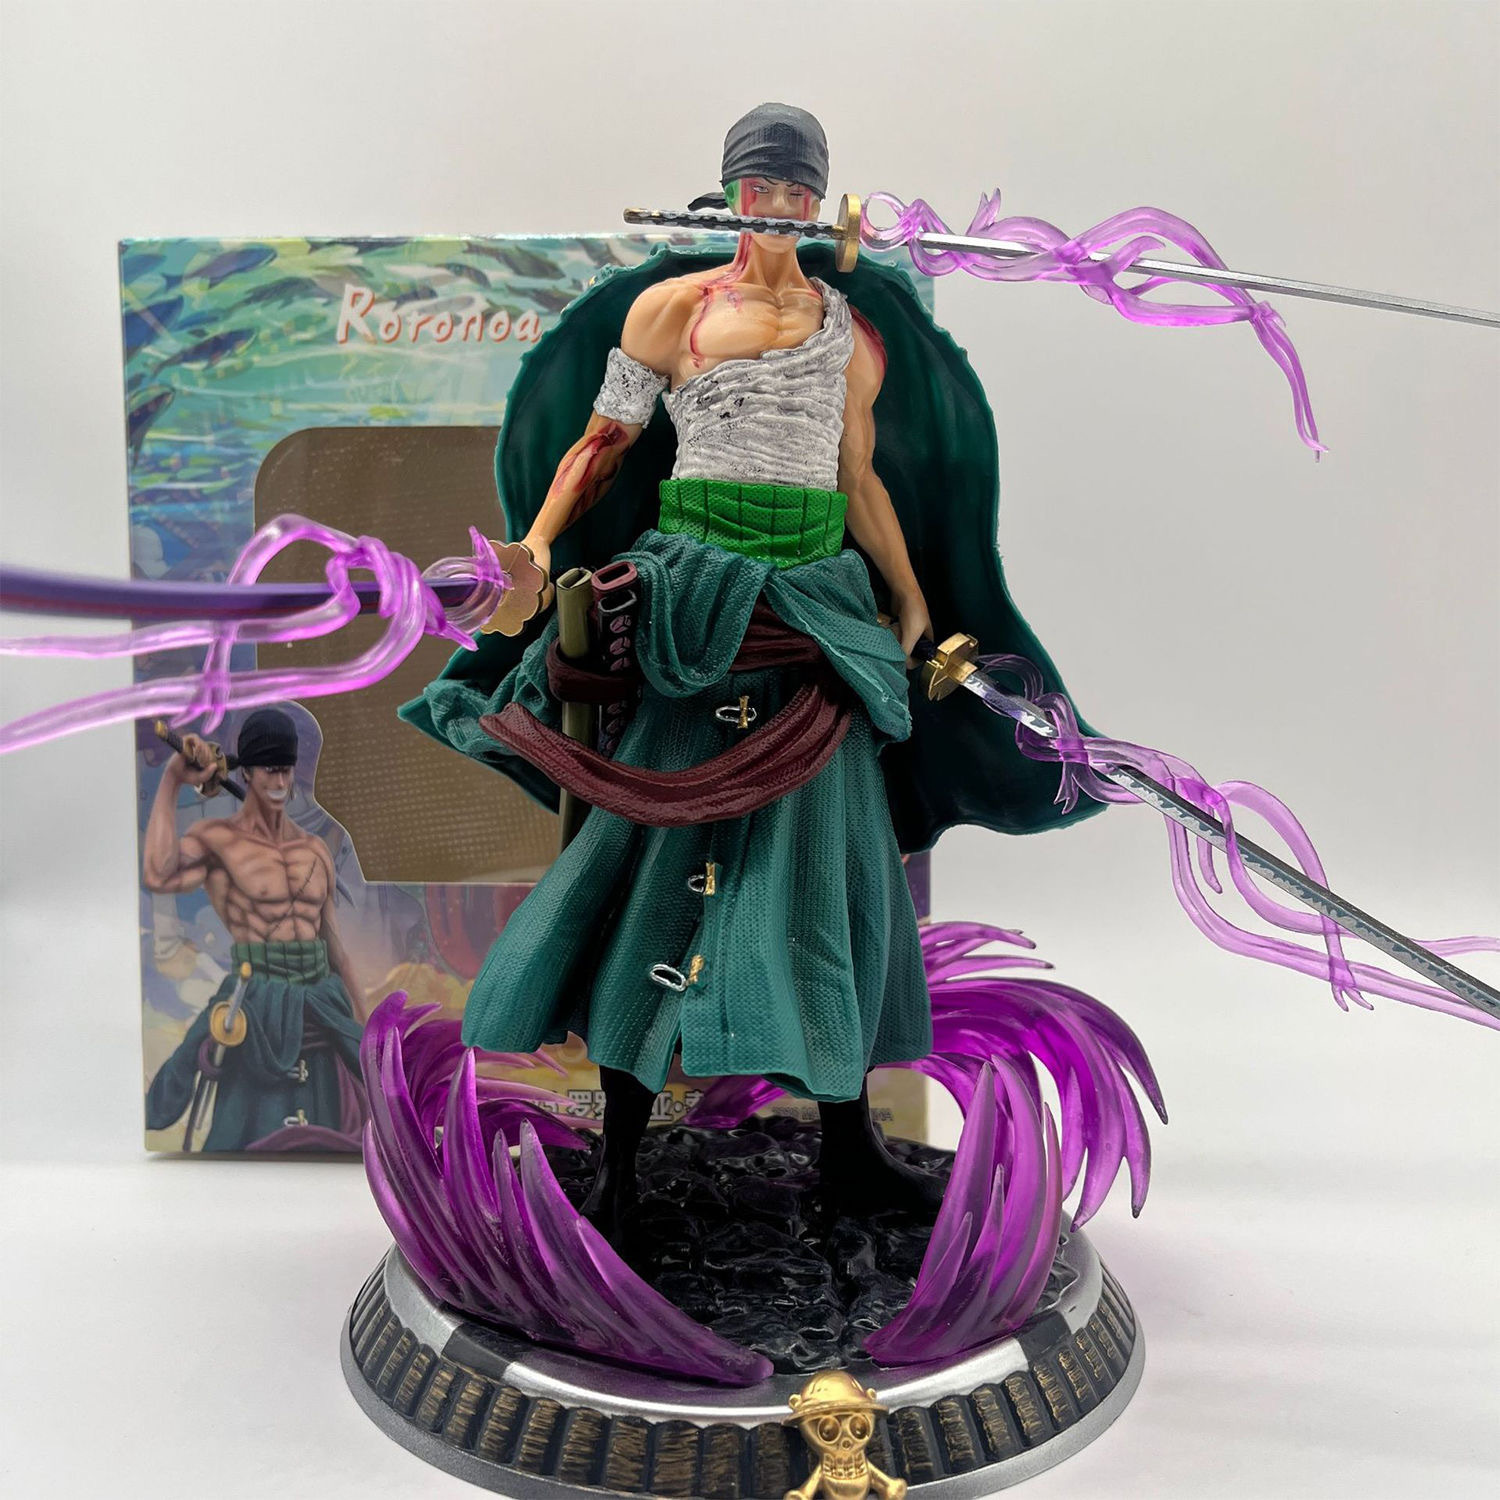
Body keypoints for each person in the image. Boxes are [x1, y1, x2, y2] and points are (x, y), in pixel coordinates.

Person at [403, 104, 1097, 1236]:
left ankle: (851, 1151)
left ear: (820, 197)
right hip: (696, 608)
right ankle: (619, 1163)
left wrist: (913, 597)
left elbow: (857, 477)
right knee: (652, 873)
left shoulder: (847, 330)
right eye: (760, 187)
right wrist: (535, 543)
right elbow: (603, 444)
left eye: (796, 188)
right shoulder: (675, 309)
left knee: (832, 873)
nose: (778, 205)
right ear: (730, 195)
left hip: (817, 613)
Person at [142, 707, 366, 1150]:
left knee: (342, 1122)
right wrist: (171, 780)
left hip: (321, 1003)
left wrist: (366, 1028)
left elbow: (335, 949)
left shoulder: (315, 849)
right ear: (245, 772)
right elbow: (159, 874)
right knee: (245, 1129)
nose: (279, 782)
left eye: (285, 769)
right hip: (257, 1001)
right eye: (268, 770)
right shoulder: (218, 840)